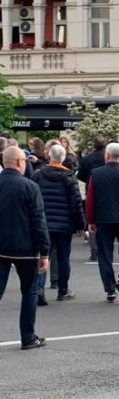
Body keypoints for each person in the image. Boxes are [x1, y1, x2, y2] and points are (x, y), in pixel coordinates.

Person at [0, 146, 50, 350]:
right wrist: (44, 251)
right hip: (26, 248)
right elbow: (38, 221)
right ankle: (28, 336)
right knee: (29, 291)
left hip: (1, 246)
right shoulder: (30, 187)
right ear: (20, 162)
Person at [31, 144, 85, 303]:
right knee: (63, 257)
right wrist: (80, 224)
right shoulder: (69, 177)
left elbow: (32, 199)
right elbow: (76, 204)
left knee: (43, 255)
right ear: (64, 158)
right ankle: (63, 290)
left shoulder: (38, 175)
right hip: (64, 224)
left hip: (43, 222)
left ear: (49, 156)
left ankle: (39, 289)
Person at [86, 143, 119, 303]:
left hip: (103, 219)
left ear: (107, 155)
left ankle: (110, 290)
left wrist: (90, 220)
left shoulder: (96, 174)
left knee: (105, 255)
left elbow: (90, 199)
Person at [78, 135, 107, 262]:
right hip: (106, 189)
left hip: (91, 188)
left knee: (92, 219)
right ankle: (104, 248)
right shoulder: (107, 157)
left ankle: (94, 250)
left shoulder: (87, 158)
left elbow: (80, 175)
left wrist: (89, 180)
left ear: (94, 145)